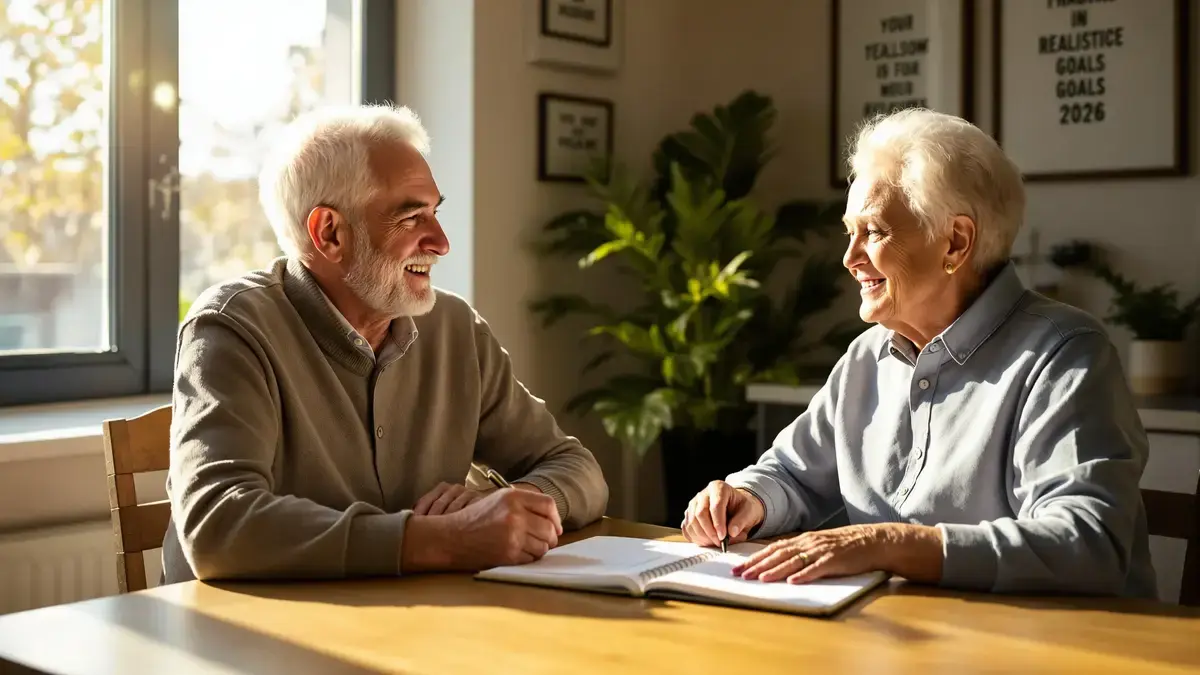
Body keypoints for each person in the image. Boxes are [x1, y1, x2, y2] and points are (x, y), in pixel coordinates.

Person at [681, 108, 1157, 598]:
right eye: (850, 233)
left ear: (955, 242)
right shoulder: (867, 358)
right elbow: (793, 475)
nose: (850, 259)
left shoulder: (1063, 354)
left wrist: (890, 544)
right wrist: (747, 497)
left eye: (874, 232)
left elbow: (1087, 542)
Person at [162, 104, 609, 583]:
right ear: (329, 233)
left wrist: (504, 506)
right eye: (412, 217)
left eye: (435, 212)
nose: (441, 241)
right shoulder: (231, 327)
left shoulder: (455, 327)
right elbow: (218, 526)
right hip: (242, 644)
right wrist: (448, 538)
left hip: (405, 630)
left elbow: (576, 469)